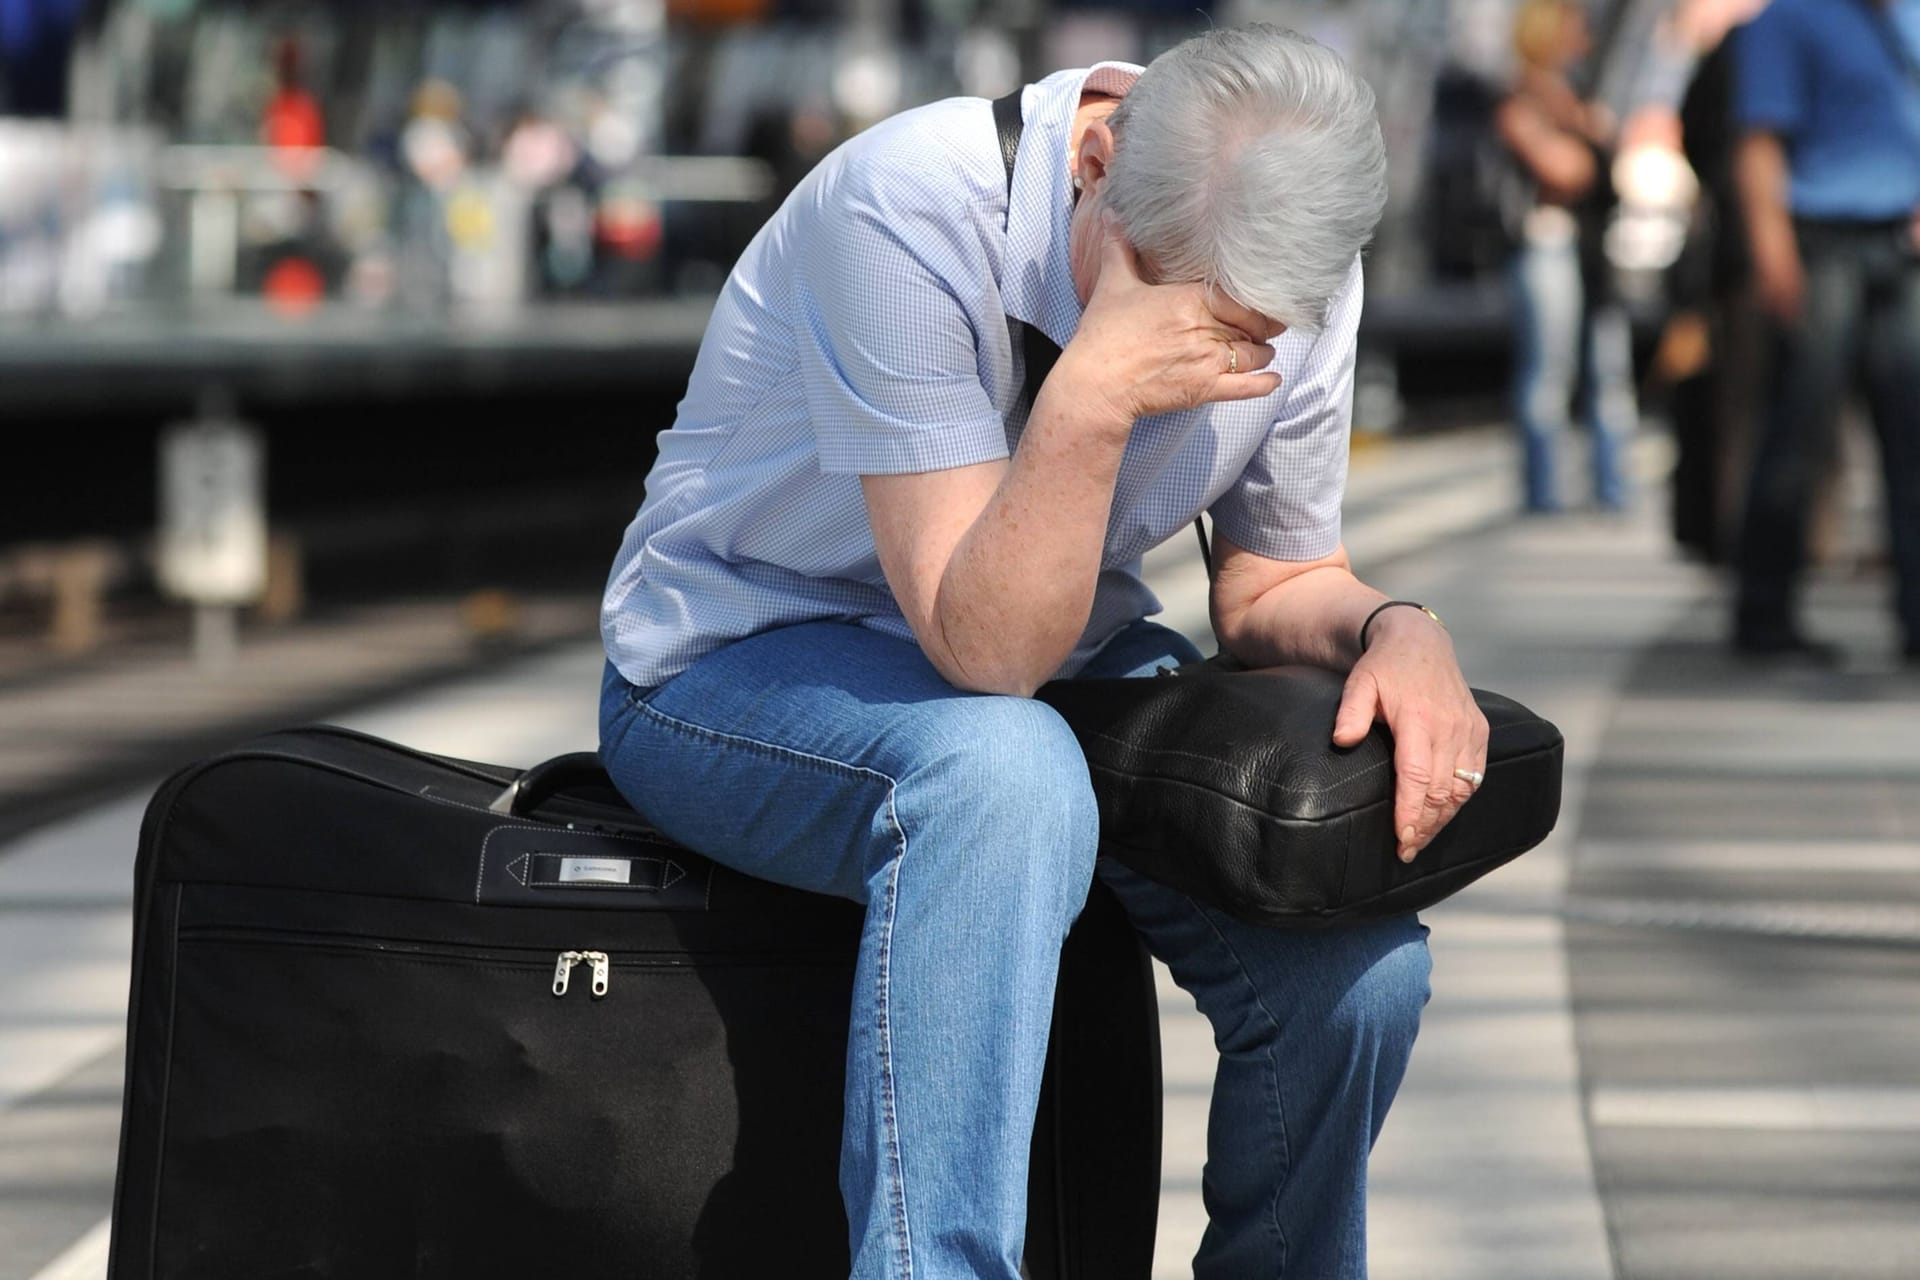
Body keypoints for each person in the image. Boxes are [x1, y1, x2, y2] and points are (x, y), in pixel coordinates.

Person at [598, 26, 1486, 1279]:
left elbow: (1274, 580)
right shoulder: (906, 208)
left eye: (1250, 336)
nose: (1219, 355)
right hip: (734, 657)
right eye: (1188, 314)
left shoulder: (1298, 269)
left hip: (1057, 663)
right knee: (1001, 776)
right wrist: (1092, 395)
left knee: (1352, 960)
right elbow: (987, 653)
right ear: (1096, 158)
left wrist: (1400, 632)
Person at [1730, 0, 1920, 661]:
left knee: (1912, 435)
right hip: (1821, 247)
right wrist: (1772, 249)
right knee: (1799, 435)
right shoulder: (1789, 19)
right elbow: (1758, 141)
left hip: (1899, 245)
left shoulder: (1906, 20)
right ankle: (1764, 613)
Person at [1496, 0, 1637, 514]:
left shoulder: (1577, 94)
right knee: (1548, 374)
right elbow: (1565, 169)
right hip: (1546, 243)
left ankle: (1612, 486)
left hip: (1590, 247)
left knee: (1608, 370)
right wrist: (1591, 139)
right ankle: (1543, 492)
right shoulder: (1521, 98)